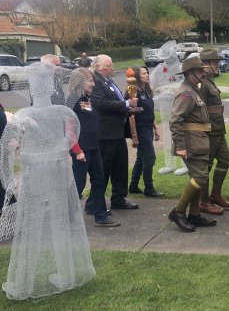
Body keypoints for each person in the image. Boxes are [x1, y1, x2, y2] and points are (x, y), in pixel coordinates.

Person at [0, 63, 95, 299]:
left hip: (36, 175)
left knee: (30, 227)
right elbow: (72, 137)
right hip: (59, 172)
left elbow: (6, 149)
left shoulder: (24, 116)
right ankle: (68, 274)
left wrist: (8, 180)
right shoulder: (63, 112)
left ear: (32, 88)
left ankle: (23, 283)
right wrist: (57, 153)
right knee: (60, 222)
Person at [168, 56, 217, 232]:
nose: (203, 74)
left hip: (198, 140)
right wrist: (180, 145)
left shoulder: (193, 90)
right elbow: (175, 120)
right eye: (199, 71)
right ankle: (179, 211)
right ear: (190, 74)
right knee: (201, 177)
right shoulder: (186, 93)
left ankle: (194, 214)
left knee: (197, 178)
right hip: (191, 142)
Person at [67, 68, 120, 227]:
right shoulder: (73, 100)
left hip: (94, 146)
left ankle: (101, 215)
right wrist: (77, 150)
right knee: (78, 184)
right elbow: (68, 128)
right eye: (90, 81)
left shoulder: (87, 98)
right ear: (80, 82)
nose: (93, 84)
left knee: (99, 180)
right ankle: (67, 218)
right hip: (81, 150)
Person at [91, 54, 139, 210]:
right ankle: (94, 203)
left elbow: (116, 101)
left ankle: (119, 198)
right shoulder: (96, 82)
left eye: (111, 65)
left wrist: (129, 103)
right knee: (104, 169)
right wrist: (125, 104)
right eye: (107, 66)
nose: (111, 68)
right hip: (105, 133)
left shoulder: (109, 80)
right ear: (97, 66)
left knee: (120, 167)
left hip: (117, 132)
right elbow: (100, 103)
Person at [199, 49, 229, 214]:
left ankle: (215, 195)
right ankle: (203, 202)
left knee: (226, 160)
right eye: (216, 62)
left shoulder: (210, 80)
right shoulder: (202, 83)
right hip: (209, 132)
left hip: (219, 130)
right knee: (206, 166)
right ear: (206, 64)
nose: (218, 65)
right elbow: (199, 109)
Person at [127, 66, 165, 198]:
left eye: (147, 73)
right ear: (137, 76)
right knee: (150, 158)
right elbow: (131, 116)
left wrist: (156, 128)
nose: (147, 75)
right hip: (140, 130)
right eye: (144, 74)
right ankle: (149, 187)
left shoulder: (146, 91)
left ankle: (133, 185)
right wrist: (134, 136)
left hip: (149, 128)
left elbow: (149, 111)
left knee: (140, 158)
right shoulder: (133, 92)